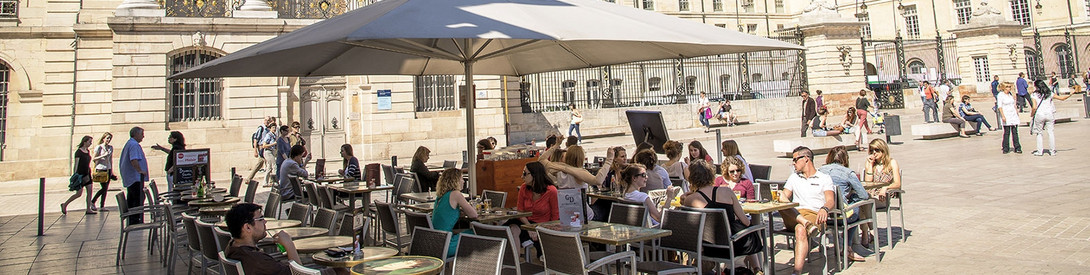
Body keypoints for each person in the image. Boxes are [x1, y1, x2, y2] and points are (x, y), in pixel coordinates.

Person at [682, 160, 764, 274]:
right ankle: (758, 269)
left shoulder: (690, 199)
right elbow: (745, 221)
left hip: (708, 248)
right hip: (731, 245)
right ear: (711, 175)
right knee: (749, 229)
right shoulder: (727, 192)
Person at [224, 203, 349, 275]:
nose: (265, 221)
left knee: (337, 270)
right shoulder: (257, 261)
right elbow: (299, 273)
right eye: (260, 219)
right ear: (247, 227)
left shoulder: (232, 246)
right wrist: (289, 244)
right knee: (340, 270)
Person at [777, 146, 835, 275]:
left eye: (795, 159)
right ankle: (805, 223)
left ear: (806, 159)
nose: (793, 163)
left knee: (800, 229)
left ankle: (796, 272)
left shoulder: (824, 178)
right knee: (781, 199)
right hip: (795, 214)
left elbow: (830, 200)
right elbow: (785, 195)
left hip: (814, 215)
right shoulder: (794, 177)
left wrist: (825, 209)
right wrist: (780, 195)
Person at [817, 146, 869, 262]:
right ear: (846, 159)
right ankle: (847, 247)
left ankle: (820, 244)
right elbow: (864, 196)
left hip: (821, 216)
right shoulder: (848, 173)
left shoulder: (820, 171)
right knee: (855, 208)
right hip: (841, 216)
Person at [507, 162, 558, 255]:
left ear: (535, 175)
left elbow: (555, 216)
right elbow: (520, 212)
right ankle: (515, 262)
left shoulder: (551, 191)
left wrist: (545, 231)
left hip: (542, 225)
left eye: (525, 174)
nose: (522, 177)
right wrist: (529, 228)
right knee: (511, 229)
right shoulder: (523, 188)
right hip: (524, 222)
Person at [859, 139, 902, 247]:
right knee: (860, 203)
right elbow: (868, 184)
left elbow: (897, 183)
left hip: (883, 197)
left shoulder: (892, 162)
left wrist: (885, 188)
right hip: (871, 196)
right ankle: (867, 232)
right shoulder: (871, 164)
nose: (874, 153)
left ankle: (870, 232)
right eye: (871, 150)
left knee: (865, 203)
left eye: (877, 150)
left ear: (883, 150)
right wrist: (869, 166)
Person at [432, 168, 479, 257]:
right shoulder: (456, 194)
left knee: (467, 232)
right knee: (478, 233)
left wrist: (460, 212)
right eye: (461, 178)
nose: (463, 181)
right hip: (447, 244)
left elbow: (447, 213)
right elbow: (474, 214)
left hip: (436, 243)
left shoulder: (440, 196)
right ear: (455, 180)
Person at [1030, 79, 1083, 156]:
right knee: (1051, 132)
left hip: (1039, 114)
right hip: (1049, 114)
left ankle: (1039, 151)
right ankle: (1052, 151)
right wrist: (1071, 94)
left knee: (1039, 133)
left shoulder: (1034, 95)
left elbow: (1034, 107)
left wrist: (1032, 114)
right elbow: (1062, 98)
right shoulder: (1049, 93)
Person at [120, 127, 149, 224]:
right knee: (137, 198)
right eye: (142, 134)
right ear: (136, 134)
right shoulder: (134, 145)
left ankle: (133, 218)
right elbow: (134, 159)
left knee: (133, 198)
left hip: (131, 178)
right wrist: (140, 170)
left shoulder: (130, 143)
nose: (143, 136)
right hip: (135, 178)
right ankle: (135, 219)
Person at [62, 136, 96, 215]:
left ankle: (88, 209)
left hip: (87, 174)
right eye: (89, 141)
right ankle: (65, 204)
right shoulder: (78, 152)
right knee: (79, 193)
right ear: (84, 142)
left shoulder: (87, 151)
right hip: (80, 175)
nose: (90, 143)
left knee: (90, 191)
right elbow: (76, 164)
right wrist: (75, 175)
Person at [89, 132, 115, 211]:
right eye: (107, 138)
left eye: (110, 138)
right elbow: (93, 158)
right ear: (103, 138)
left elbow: (110, 159)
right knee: (104, 187)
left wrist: (112, 171)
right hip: (101, 168)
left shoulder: (110, 148)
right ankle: (93, 201)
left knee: (106, 188)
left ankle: (102, 205)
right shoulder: (99, 147)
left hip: (108, 168)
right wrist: (103, 156)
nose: (108, 140)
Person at [245, 117, 274, 187]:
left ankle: (249, 179)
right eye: (266, 120)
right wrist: (255, 150)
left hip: (267, 148)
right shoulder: (261, 128)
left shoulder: (268, 129)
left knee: (266, 164)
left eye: (268, 120)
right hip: (262, 148)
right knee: (265, 164)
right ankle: (269, 181)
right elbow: (256, 139)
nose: (267, 122)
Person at [996, 81, 1022, 153]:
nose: (1009, 88)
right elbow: (1000, 106)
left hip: (1012, 114)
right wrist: (1003, 116)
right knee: (1007, 132)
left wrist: (1016, 111)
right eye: (1007, 87)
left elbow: (1014, 104)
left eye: (1009, 87)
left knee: (1015, 131)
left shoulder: (1010, 95)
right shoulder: (1000, 95)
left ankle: (1017, 147)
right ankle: (1005, 147)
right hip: (1006, 114)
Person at [259, 122, 279, 187]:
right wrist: (273, 144)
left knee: (269, 167)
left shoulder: (274, 135)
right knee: (274, 165)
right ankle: (274, 181)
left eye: (275, 127)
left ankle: (265, 182)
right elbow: (264, 145)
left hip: (273, 152)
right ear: (270, 128)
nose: (274, 129)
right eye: (273, 127)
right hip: (268, 152)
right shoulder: (268, 135)